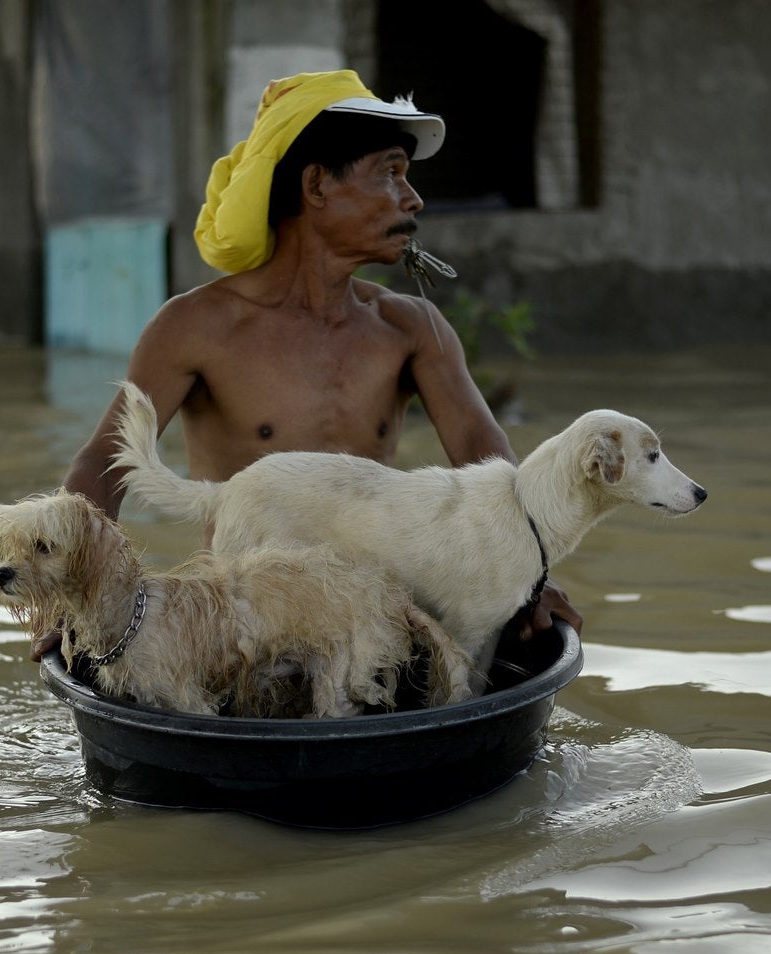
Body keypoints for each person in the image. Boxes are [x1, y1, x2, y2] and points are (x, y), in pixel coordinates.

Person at [53, 69, 579, 658]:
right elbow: (105, 461)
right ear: (316, 185)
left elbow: (490, 467)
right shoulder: (195, 326)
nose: (414, 199)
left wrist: (533, 579)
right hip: (247, 621)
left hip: (381, 619)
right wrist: (72, 589)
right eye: (391, 173)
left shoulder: (412, 327)